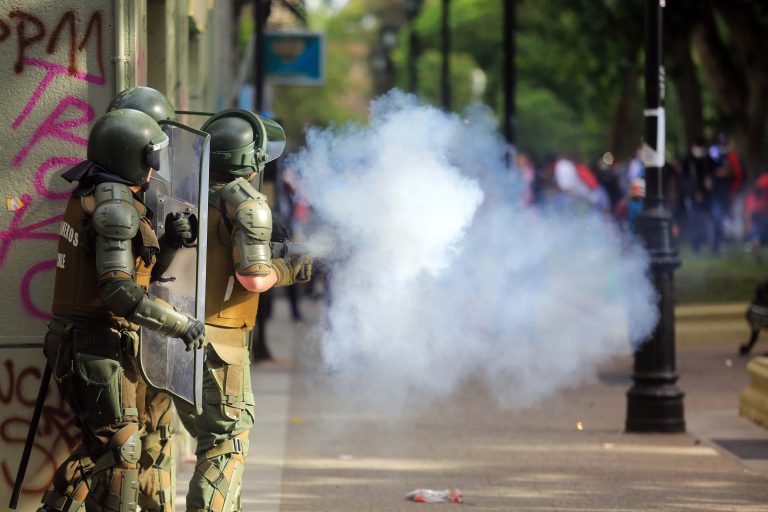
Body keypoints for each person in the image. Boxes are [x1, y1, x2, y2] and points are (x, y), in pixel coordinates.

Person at [38, 108, 205, 512]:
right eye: (151, 159)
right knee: (120, 448)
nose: (154, 169)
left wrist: (167, 244)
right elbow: (118, 293)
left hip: (87, 344)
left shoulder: (99, 193)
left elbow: (134, 271)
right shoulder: (115, 208)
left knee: (105, 447)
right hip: (95, 346)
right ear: (132, 158)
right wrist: (180, 325)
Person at [172, 108, 311, 510]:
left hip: (173, 330)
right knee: (225, 441)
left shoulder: (182, 187)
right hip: (218, 340)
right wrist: (289, 268)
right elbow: (254, 278)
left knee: (202, 438)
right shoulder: (249, 205)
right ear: (249, 161)